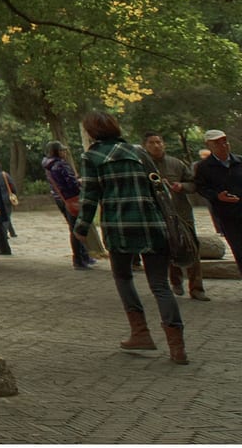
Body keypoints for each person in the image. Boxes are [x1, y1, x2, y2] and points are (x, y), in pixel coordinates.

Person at [73, 110, 187, 364]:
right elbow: (157, 188)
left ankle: (140, 332)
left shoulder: (92, 156)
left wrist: (81, 228)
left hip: (119, 226)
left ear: (92, 132)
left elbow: (90, 196)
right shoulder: (139, 152)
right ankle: (177, 346)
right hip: (152, 224)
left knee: (123, 277)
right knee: (160, 285)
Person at [141, 131, 207, 300]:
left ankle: (197, 288)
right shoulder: (141, 166)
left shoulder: (176, 163)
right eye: (152, 143)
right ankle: (175, 281)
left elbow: (194, 184)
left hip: (182, 214)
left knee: (192, 247)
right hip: (159, 215)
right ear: (145, 146)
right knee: (167, 249)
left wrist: (182, 186)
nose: (156, 145)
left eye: (159, 142)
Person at [193, 128, 242, 276]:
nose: (223, 145)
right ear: (209, 145)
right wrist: (217, 196)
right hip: (227, 216)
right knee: (239, 251)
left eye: (225, 142)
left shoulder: (239, 161)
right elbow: (201, 188)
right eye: (217, 143)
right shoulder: (203, 167)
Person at [43, 140, 94, 269]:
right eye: (62, 150)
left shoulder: (48, 165)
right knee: (76, 229)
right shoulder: (60, 165)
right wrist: (80, 182)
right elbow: (71, 183)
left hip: (61, 198)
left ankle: (83, 255)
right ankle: (79, 259)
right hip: (72, 198)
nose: (64, 153)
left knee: (73, 227)